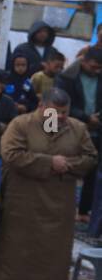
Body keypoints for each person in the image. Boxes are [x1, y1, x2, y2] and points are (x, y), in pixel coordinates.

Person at [0, 90, 97, 280]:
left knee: (51, 255)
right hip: (22, 201)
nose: (60, 117)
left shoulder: (77, 128)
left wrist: (68, 165)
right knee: (15, 247)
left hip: (59, 204)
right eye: (55, 112)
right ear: (41, 106)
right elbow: (11, 154)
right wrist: (49, 163)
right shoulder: (21, 124)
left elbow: (90, 158)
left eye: (64, 112)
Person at [56, 46, 102, 218]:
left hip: (96, 131)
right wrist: (86, 117)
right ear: (83, 61)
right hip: (70, 129)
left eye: (99, 68)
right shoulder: (66, 78)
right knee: (64, 169)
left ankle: (84, 211)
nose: (96, 71)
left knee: (93, 171)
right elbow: (59, 104)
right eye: (93, 67)